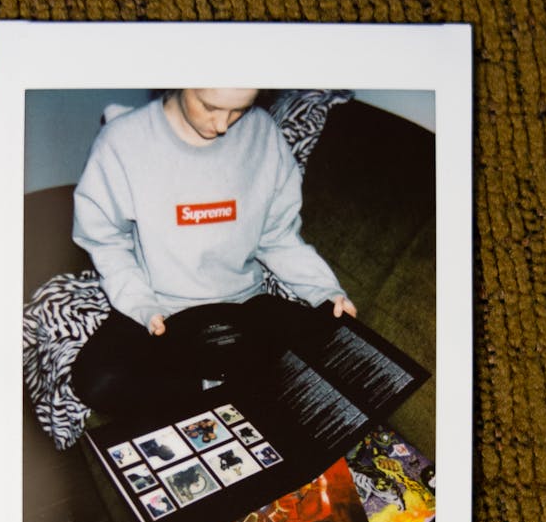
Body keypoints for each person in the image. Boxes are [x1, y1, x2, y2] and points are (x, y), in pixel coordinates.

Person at [70, 88, 356, 414]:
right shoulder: (121, 142)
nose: (222, 125)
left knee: (339, 352)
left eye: (239, 110)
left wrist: (326, 291)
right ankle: (222, 390)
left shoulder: (263, 133)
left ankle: (222, 389)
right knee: (95, 381)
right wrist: (141, 304)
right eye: (209, 107)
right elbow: (106, 240)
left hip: (244, 305)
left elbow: (278, 236)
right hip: (159, 308)